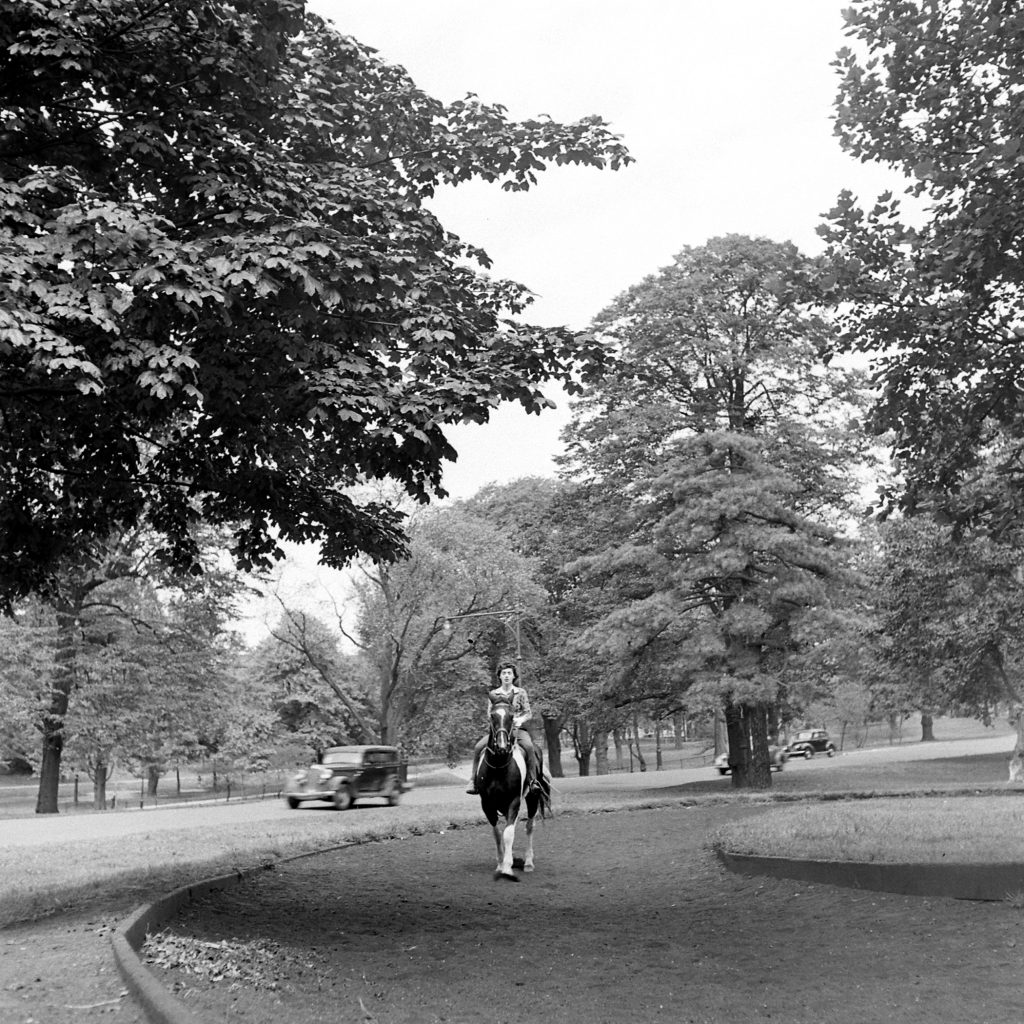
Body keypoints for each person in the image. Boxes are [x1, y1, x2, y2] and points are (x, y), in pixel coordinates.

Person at [465, 661, 541, 795]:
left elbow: (528, 712)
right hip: (499, 730)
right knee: (478, 747)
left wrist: (518, 720)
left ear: (513, 676)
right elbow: (490, 714)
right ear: (499, 676)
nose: (506, 676)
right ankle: (473, 781)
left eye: (509, 673)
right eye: (503, 673)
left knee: (529, 747)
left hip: (517, 730)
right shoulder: (494, 694)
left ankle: (532, 781)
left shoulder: (521, 692)